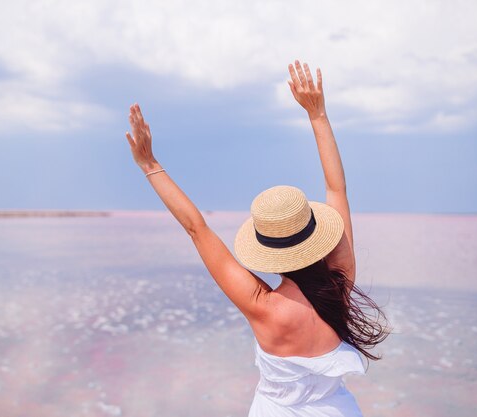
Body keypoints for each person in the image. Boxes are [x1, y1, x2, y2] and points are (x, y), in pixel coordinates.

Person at [125, 60, 391, 417]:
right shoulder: (341, 279)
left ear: (267, 249)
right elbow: (336, 188)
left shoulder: (262, 305)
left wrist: (149, 165)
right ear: (315, 234)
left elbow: (196, 228)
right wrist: (317, 114)